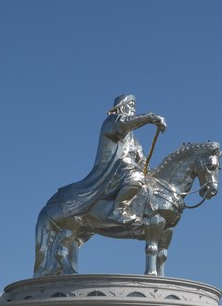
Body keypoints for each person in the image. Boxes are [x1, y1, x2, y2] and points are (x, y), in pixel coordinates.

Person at [54, 94, 167, 225]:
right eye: (131, 106)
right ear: (121, 106)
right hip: (113, 167)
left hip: (126, 168)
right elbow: (122, 125)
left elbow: (140, 157)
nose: (134, 110)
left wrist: (146, 168)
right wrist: (150, 117)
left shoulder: (132, 137)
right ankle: (118, 210)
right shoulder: (112, 121)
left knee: (148, 182)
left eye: (134, 107)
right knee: (136, 177)